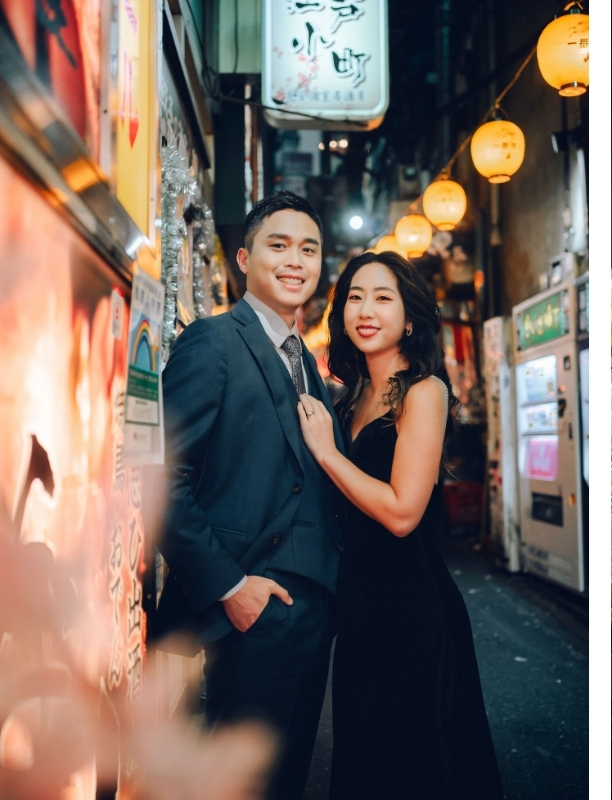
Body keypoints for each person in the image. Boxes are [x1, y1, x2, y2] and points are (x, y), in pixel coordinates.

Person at [295, 250, 503, 798]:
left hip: (412, 606)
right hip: (360, 604)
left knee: (418, 763)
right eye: (355, 297)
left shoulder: (424, 392)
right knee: (367, 758)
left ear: (409, 318)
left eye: (383, 298)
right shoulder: (349, 397)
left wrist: (327, 454)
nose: (366, 309)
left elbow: (403, 512)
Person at [157, 192, 342, 800]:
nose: (296, 260)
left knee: (286, 779)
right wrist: (232, 588)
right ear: (243, 257)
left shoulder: (305, 363)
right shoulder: (213, 341)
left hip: (309, 611)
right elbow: (160, 476)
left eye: (309, 249)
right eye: (278, 245)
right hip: (249, 607)